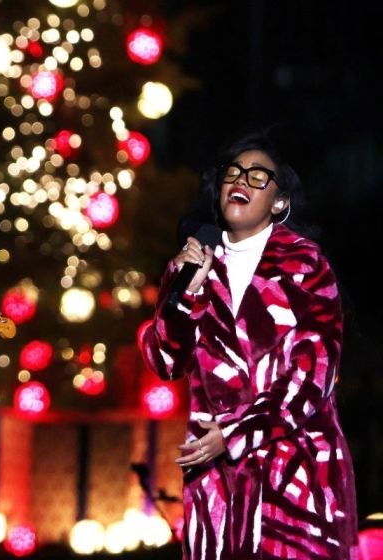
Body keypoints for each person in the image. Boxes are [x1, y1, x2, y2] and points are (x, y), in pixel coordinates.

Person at [141, 131, 358, 559]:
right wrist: (184, 296)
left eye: (259, 176)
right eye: (234, 173)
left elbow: (315, 373)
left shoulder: (305, 265)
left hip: (296, 474)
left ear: (279, 202)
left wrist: (237, 432)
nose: (241, 180)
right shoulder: (192, 264)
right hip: (219, 489)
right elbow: (164, 361)